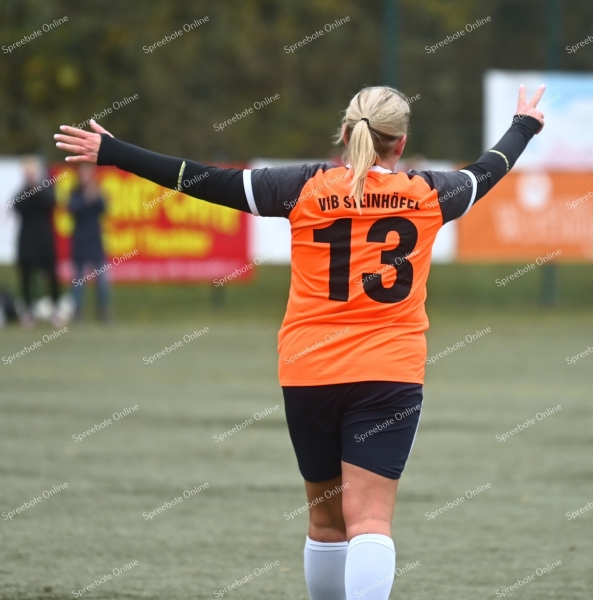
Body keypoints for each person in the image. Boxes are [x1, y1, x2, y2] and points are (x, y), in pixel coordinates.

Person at [54, 84, 545, 600]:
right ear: (400, 143)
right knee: (370, 520)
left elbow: (203, 180)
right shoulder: (431, 193)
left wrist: (115, 153)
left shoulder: (303, 186)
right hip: (389, 373)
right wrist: (524, 125)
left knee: (327, 523)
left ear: (345, 133)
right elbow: (490, 168)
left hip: (310, 371)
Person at [12, 156, 62, 327]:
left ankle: (56, 308)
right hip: (27, 241)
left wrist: (36, 189)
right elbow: (17, 206)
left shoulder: (45, 190)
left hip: (44, 240)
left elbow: (50, 203)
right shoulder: (22, 192)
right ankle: (28, 311)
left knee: (52, 276)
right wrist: (29, 189)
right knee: (26, 277)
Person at [69, 163, 110, 322]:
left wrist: (96, 197)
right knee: (79, 281)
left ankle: (103, 312)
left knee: (102, 281)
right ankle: (78, 313)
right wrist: (87, 199)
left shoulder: (96, 190)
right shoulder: (75, 192)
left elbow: (104, 209)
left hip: (95, 242)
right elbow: (73, 210)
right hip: (80, 242)